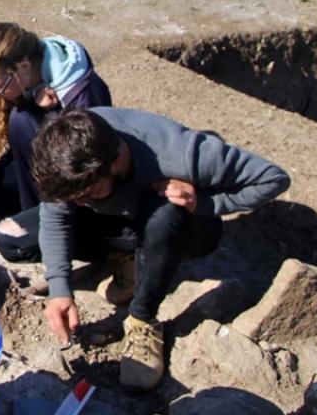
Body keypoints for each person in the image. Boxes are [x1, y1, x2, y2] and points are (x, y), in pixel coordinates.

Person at [31, 108, 290, 391]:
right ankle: (131, 261)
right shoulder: (68, 147)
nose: (80, 203)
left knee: (165, 212)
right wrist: (60, 288)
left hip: (184, 230)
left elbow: (273, 178)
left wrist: (202, 201)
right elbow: (55, 216)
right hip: (124, 221)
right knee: (15, 239)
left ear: (116, 162)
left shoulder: (183, 153)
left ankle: (143, 319)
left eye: (88, 194)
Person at [0, 22, 112, 268]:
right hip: (30, 170)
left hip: (77, 190)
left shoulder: (82, 94)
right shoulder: (15, 80)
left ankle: (115, 252)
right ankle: (30, 210)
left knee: (14, 242)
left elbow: (86, 171)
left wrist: (47, 114)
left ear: (23, 67)